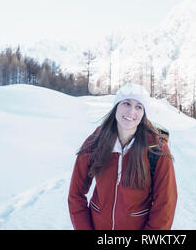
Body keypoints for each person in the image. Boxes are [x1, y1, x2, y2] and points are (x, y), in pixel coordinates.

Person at [68, 83, 177, 230]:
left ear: (144, 114)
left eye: (139, 106)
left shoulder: (156, 150)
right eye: (127, 103)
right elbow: (75, 194)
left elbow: (165, 204)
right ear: (116, 107)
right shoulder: (95, 142)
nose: (132, 111)